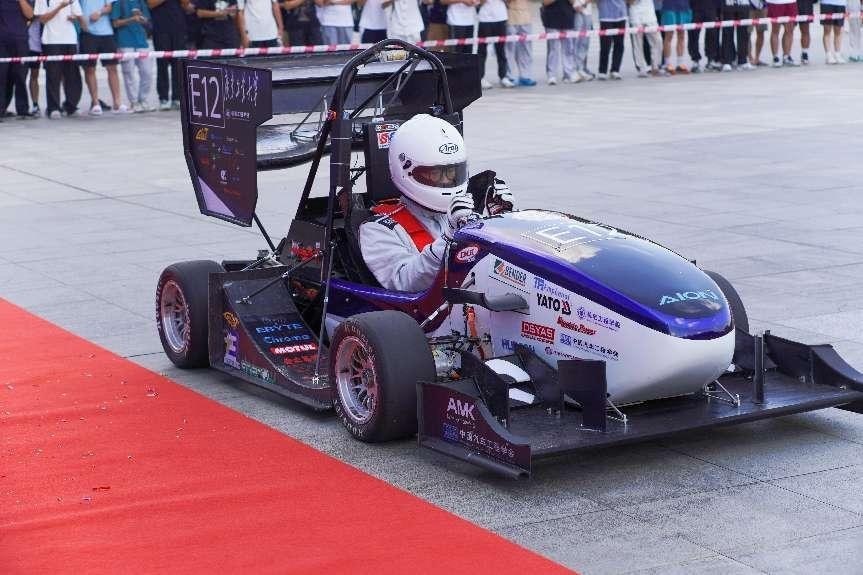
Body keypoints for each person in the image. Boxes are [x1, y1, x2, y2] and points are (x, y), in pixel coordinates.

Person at [360, 114, 513, 292]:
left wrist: (502, 221)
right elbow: (405, 282)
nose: (446, 181)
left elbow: (498, 268)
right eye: (435, 174)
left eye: (452, 173)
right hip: (432, 308)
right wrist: (449, 238)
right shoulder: (378, 228)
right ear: (407, 170)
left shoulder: (466, 211)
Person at [34, 0, 84, 119]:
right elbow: (42, 19)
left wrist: (74, 18)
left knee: (73, 75)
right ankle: (53, 108)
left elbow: (78, 15)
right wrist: (60, 7)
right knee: (53, 75)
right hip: (51, 40)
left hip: (70, 39)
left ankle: (71, 106)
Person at [79, 0, 125, 115]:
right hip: (87, 33)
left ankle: (117, 102)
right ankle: (95, 103)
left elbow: (109, 7)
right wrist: (81, 21)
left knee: (112, 68)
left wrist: (99, 13)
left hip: (106, 32)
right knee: (89, 69)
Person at [111, 0, 154, 112]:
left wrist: (141, 18)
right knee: (129, 73)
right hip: (125, 42)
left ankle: (143, 100)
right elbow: (115, 23)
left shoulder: (140, 2)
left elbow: (147, 20)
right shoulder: (118, 3)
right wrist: (131, 19)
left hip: (142, 41)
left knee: (147, 72)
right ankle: (134, 102)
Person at [148, 0, 187, 110]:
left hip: (178, 28)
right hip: (160, 29)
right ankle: (163, 98)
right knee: (162, 65)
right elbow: (150, 4)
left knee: (178, 64)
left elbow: (186, 5)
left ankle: (177, 98)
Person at [0, 0, 34, 119]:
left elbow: (30, 15)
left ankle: (23, 110)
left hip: (20, 41)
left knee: (20, 76)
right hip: (2, 43)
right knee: (2, 76)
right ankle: (1, 109)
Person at [541, 0, 575, 85]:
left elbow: (573, 2)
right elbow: (545, 2)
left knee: (568, 48)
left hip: (567, 18)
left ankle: (568, 74)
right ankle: (551, 75)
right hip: (551, 19)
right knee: (553, 49)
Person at [628, 0, 662, 76]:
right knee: (637, 43)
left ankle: (655, 66)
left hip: (649, 13)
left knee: (658, 40)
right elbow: (628, 2)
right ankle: (641, 68)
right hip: (635, 13)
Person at [505, 0, 535, 86]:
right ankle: (509, 76)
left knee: (526, 49)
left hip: (526, 16)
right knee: (510, 49)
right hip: (511, 16)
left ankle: (525, 76)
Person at [687, 0, 720, 72]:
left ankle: (711, 60)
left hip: (711, 6)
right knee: (693, 34)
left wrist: (718, 8)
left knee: (712, 34)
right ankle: (695, 60)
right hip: (695, 7)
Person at [597, 0, 626, 79]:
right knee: (605, 45)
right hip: (606, 15)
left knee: (619, 44)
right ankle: (602, 71)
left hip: (621, 14)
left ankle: (615, 70)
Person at [720, 0, 751, 69]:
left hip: (743, 4)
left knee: (743, 33)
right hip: (728, 4)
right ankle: (727, 61)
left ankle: (743, 60)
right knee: (727, 32)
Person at [661, 0, 690, 73]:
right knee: (669, 35)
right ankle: (667, 63)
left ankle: (680, 63)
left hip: (683, 6)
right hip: (669, 6)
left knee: (681, 35)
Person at [766, 0, 797, 66]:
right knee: (775, 30)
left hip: (790, 2)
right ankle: (775, 57)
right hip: (775, 3)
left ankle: (786, 56)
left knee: (790, 30)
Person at [27, 0, 43, 116]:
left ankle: (58, 105)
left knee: (57, 74)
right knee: (32, 74)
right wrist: (33, 15)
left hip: (48, 41)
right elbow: (28, 18)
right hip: (30, 43)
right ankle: (34, 105)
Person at [573, 0, 593, 79]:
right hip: (575, 10)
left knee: (585, 42)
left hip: (587, 12)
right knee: (576, 41)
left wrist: (584, 3)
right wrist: (575, 5)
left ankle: (581, 68)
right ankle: (575, 69)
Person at [749, 0, 768, 65]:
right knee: (748, 33)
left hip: (762, 5)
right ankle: (750, 58)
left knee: (761, 32)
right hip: (749, 5)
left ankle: (757, 58)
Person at [796, 0, 812, 64]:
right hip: (790, 2)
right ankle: (786, 55)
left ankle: (805, 53)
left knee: (805, 29)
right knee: (789, 29)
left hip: (805, 4)